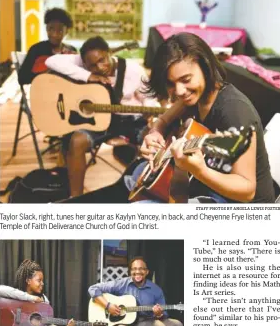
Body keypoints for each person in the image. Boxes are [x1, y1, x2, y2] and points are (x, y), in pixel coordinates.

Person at [136, 32, 275, 203]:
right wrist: (155, 132)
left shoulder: (234, 112)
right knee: (139, 173)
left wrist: (200, 171)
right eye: (171, 83)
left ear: (206, 67)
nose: (179, 91)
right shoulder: (193, 97)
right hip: (208, 185)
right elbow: (163, 120)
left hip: (243, 209)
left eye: (186, 79)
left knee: (144, 206)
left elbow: (247, 190)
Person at [45, 36, 160, 197]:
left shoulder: (133, 70)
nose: (100, 67)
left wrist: (149, 110)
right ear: (84, 63)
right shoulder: (84, 65)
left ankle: (142, 194)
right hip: (100, 120)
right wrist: (88, 76)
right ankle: (75, 198)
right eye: (92, 65)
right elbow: (51, 61)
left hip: (131, 120)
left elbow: (149, 98)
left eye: (102, 60)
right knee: (76, 141)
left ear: (109, 53)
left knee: (151, 141)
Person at [88, 257, 183, 326]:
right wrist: (108, 305)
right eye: (134, 269)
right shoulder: (121, 283)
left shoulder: (156, 290)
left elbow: (163, 314)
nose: (137, 272)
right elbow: (93, 289)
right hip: (124, 325)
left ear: (147, 272)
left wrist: (159, 314)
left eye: (141, 269)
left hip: (146, 323)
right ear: (130, 271)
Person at [0, 260, 76, 326]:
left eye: (42, 281)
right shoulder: (17, 295)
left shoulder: (44, 300)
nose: (42, 283)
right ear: (28, 280)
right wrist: (30, 298)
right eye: (39, 280)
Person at [18, 7, 76, 86]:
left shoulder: (71, 50)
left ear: (67, 31)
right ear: (46, 28)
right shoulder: (36, 50)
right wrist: (48, 73)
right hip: (42, 94)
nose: (54, 34)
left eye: (60, 30)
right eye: (51, 29)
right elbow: (22, 79)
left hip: (64, 93)